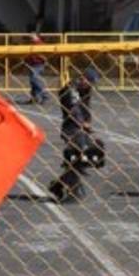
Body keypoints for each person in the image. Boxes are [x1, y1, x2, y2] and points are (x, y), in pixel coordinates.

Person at [50, 67, 100, 202]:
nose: (90, 85)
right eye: (89, 81)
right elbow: (74, 109)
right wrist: (82, 123)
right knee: (79, 156)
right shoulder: (71, 90)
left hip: (81, 128)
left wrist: (88, 123)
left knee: (90, 155)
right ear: (83, 78)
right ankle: (72, 190)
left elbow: (86, 107)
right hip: (72, 128)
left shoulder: (85, 89)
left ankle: (59, 184)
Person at [27, 34, 49, 104]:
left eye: (33, 36)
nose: (31, 38)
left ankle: (44, 95)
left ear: (37, 37)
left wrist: (42, 58)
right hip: (32, 64)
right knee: (32, 81)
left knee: (34, 79)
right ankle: (34, 97)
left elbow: (44, 55)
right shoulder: (31, 44)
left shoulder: (40, 44)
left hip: (38, 64)